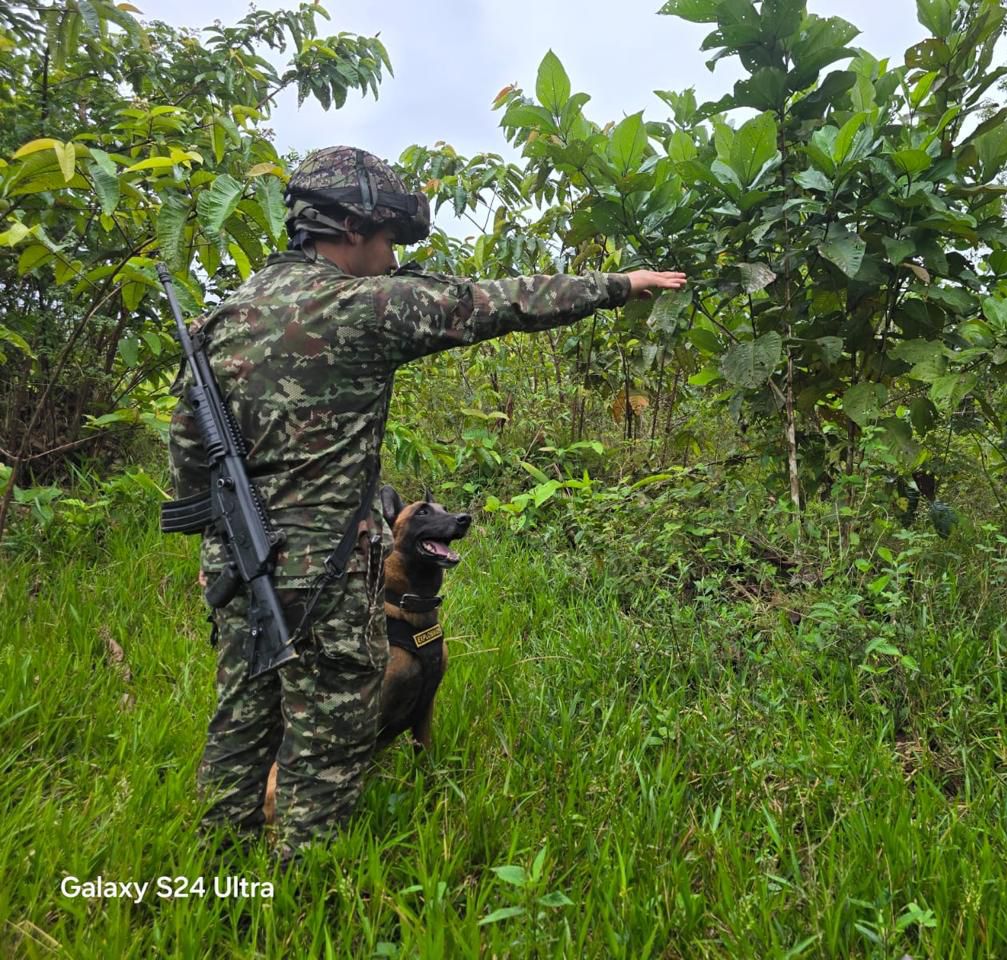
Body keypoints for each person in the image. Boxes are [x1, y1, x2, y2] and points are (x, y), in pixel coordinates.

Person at [167, 145, 685, 858]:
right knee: (329, 738)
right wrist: (619, 284)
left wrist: (212, 555)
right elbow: (497, 302)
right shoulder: (361, 306)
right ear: (350, 228)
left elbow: (191, 458)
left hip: (236, 567)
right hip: (325, 574)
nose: (391, 258)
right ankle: (305, 887)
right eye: (388, 240)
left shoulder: (220, 322)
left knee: (240, 719)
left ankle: (218, 876)